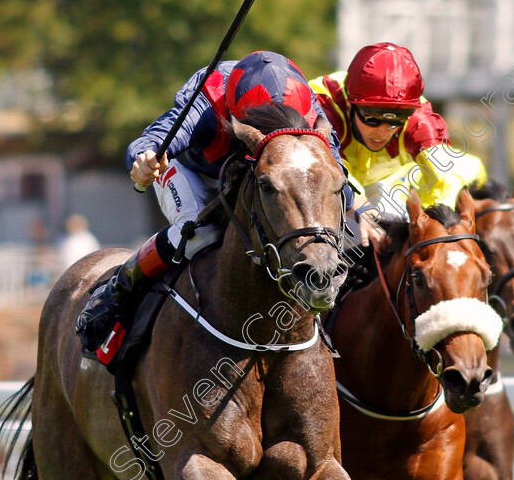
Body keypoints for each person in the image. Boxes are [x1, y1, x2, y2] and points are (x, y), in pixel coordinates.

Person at [76, 50, 354, 352]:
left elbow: (339, 180)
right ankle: (117, 291)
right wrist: (144, 160)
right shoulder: (206, 104)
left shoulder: (308, 109)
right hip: (195, 173)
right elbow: (149, 141)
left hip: (266, 180)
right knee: (198, 235)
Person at [309, 42, 487, 251]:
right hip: (324, 177)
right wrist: (360, 208)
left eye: (395, 121)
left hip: (389, 183)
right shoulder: (323, 107)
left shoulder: (419, 118)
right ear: (350, 103)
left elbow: (445, 173)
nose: (383, 133)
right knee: (336, 232)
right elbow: (330, 171)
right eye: (373, 119)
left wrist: (437, 224)